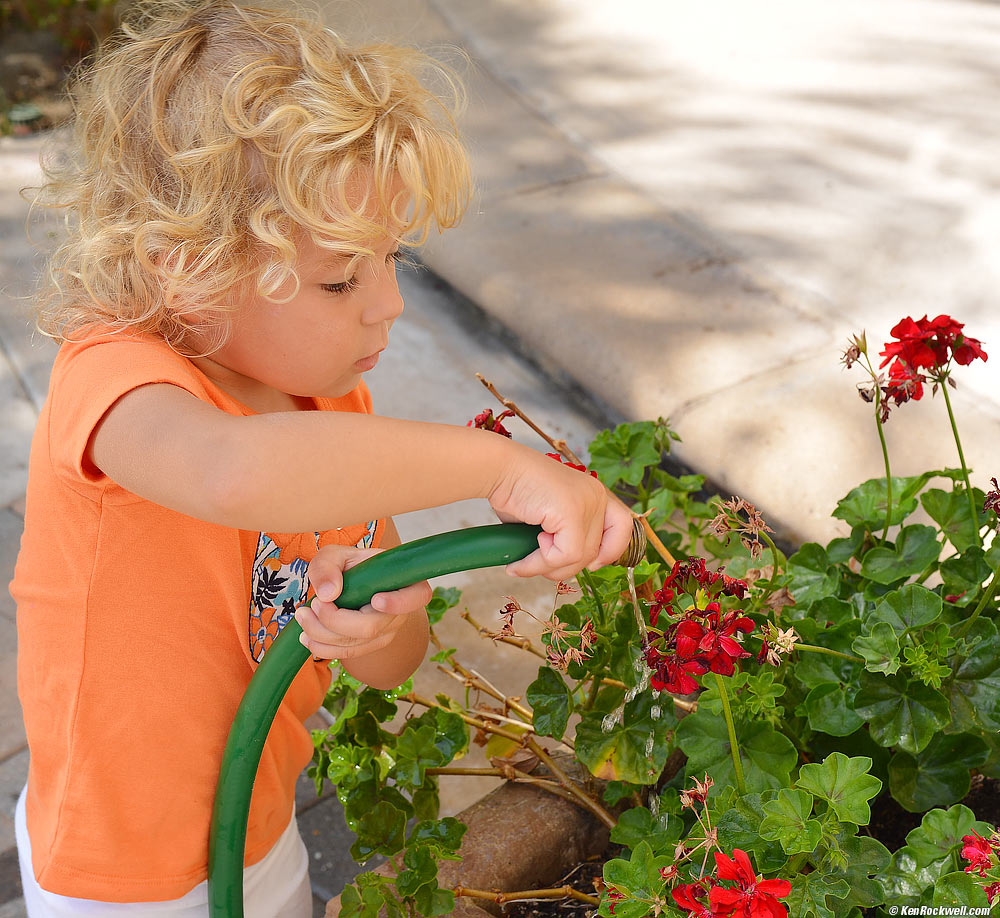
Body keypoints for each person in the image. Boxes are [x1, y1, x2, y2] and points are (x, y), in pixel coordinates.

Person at [9, 1, 634, 915]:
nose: (388, 306)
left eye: (392, 260)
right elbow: (235, 471)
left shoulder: (329, 408)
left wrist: (376, 625)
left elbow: (395, 656)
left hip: (256, 828)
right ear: (185, 264)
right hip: (115, 872)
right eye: (341, 279)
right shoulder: (114, 382)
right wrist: (496, 468)